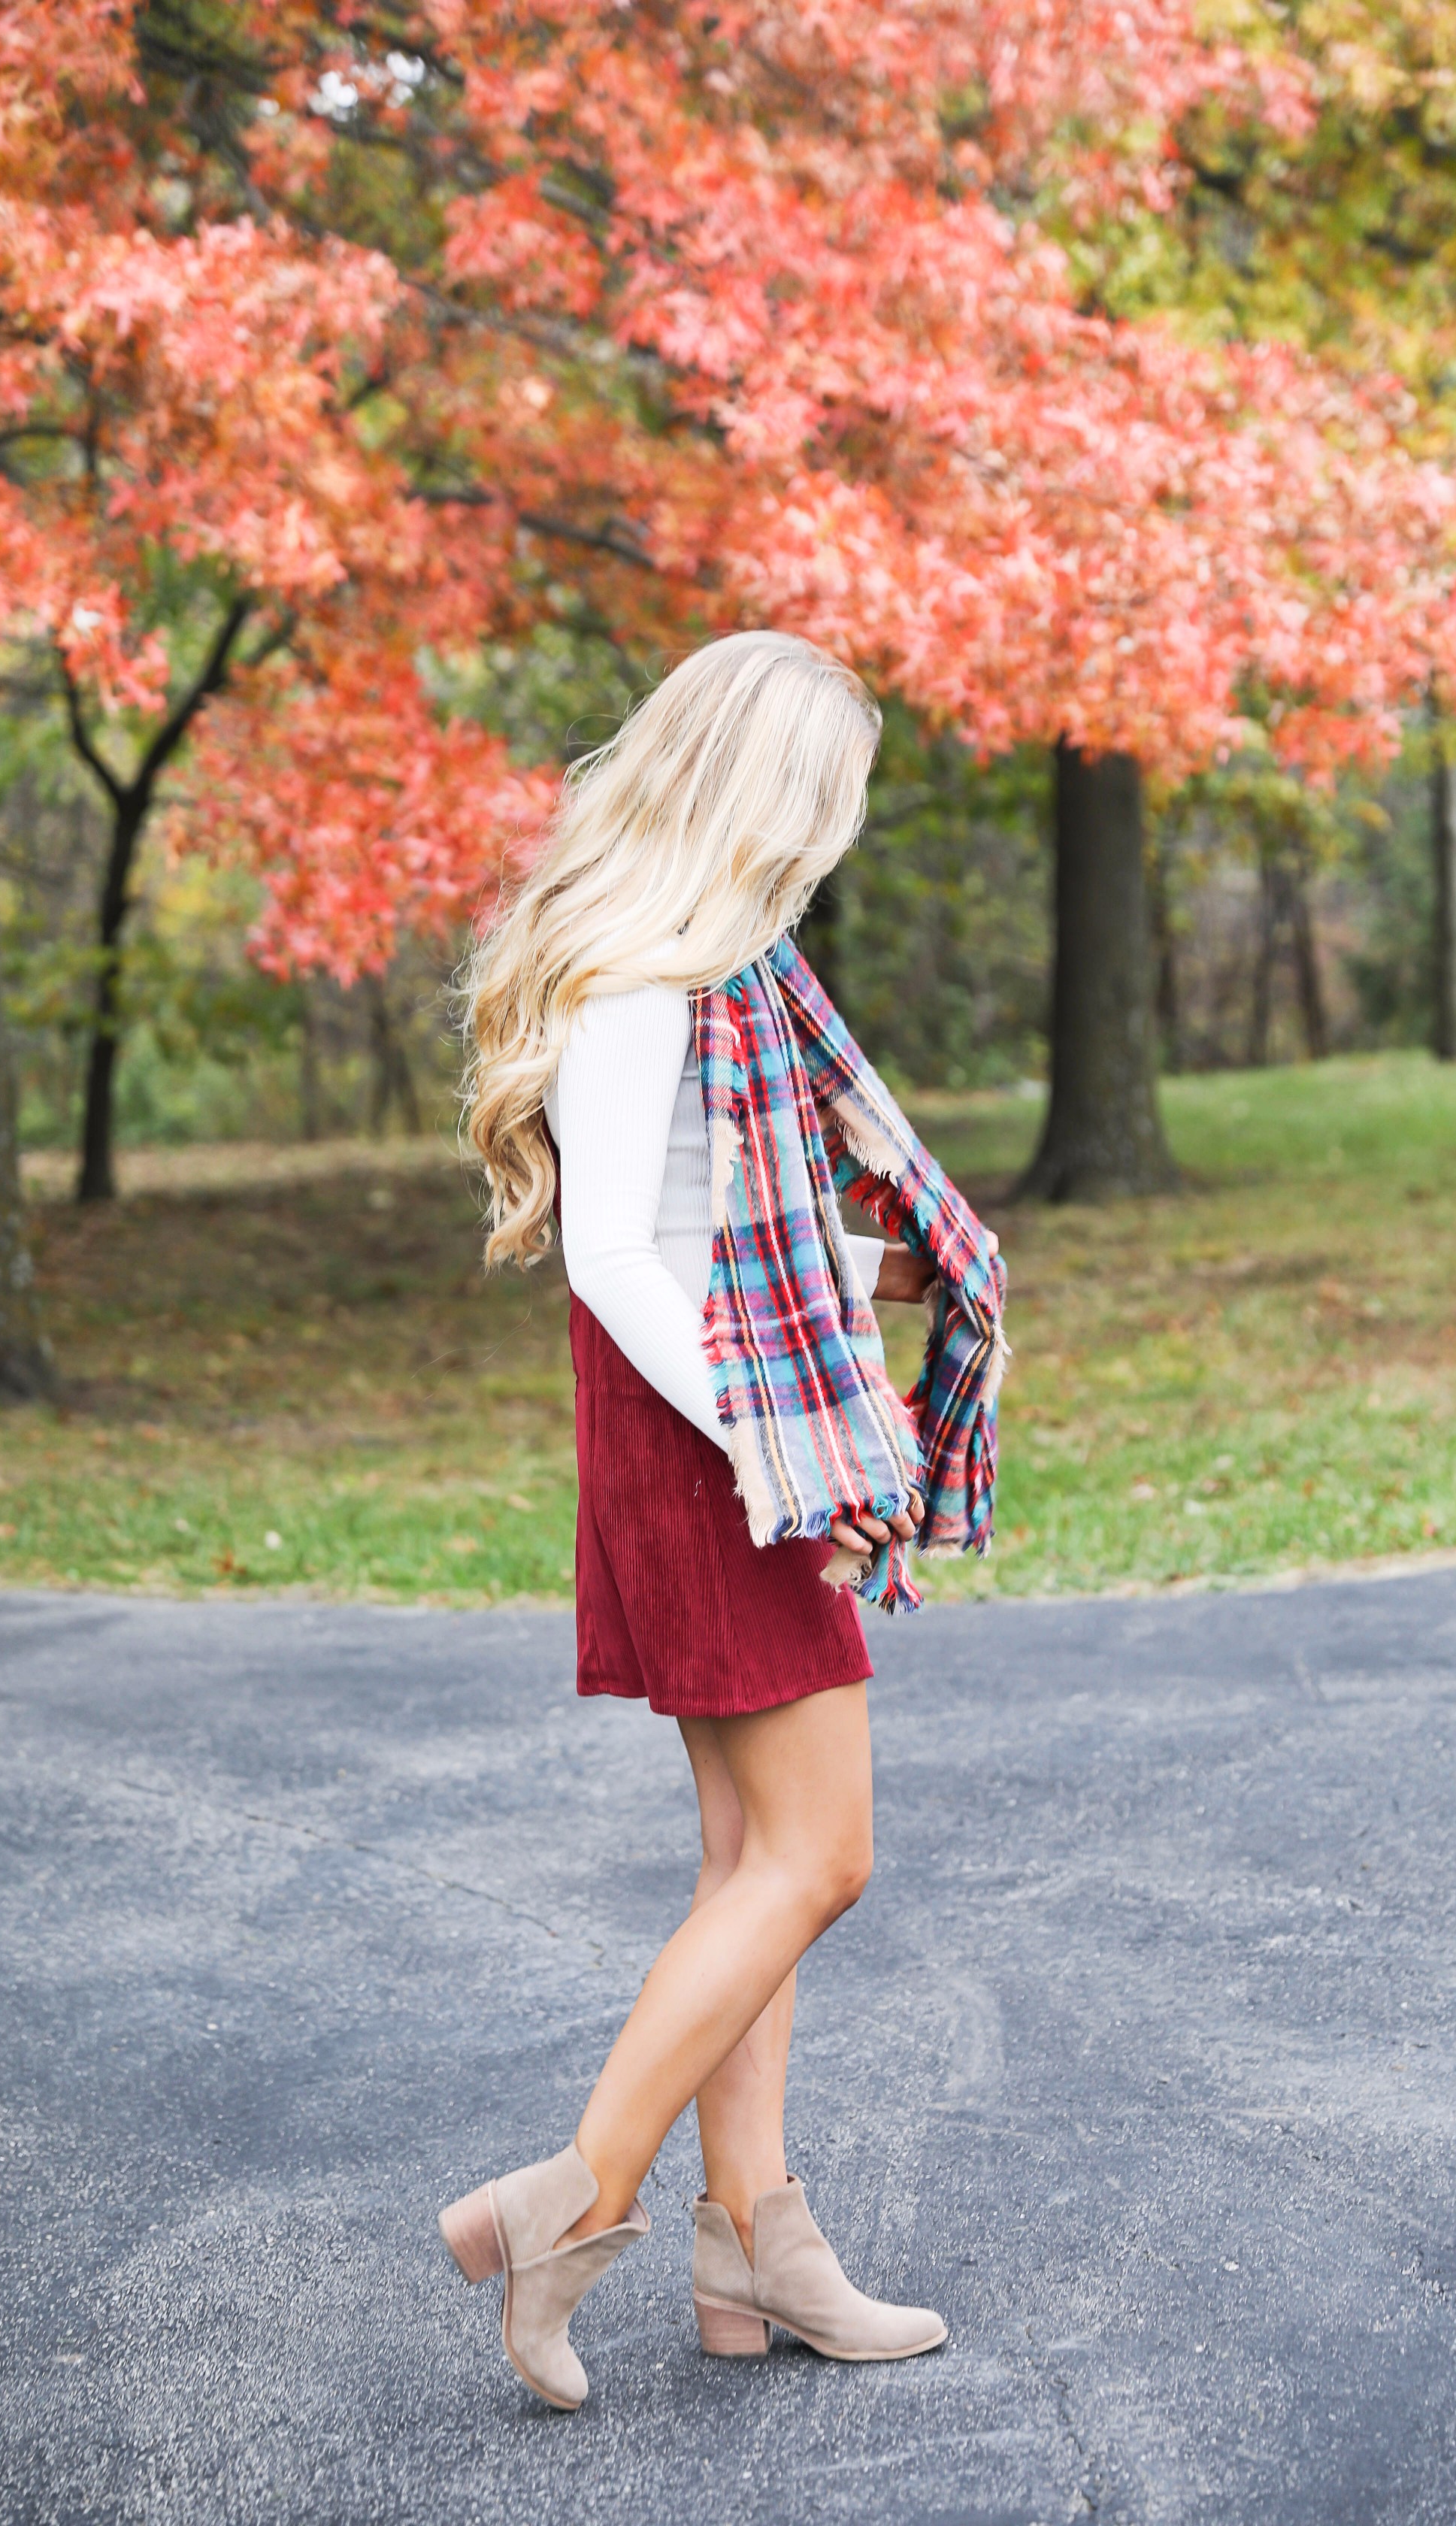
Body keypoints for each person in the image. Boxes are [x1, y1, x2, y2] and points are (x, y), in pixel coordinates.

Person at [444, 630, 1006, 2412]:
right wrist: (787, 1450)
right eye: (826, 797)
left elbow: (710, 1225)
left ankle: (754, 2248)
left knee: (751, 1871)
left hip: (729, 1425)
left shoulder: (731, 974)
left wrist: (869, 1283)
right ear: (763, 788)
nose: (834, 833)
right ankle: (571, 2199)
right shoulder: (640, 973)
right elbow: (618, 1257)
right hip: (714, 1450)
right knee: (819, 1860)